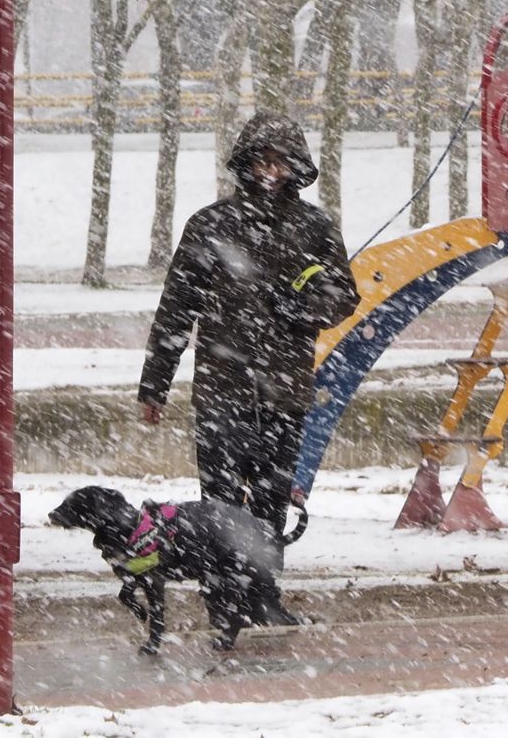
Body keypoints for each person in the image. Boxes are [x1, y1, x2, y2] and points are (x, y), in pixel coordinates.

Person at [138, 111, 359, 624]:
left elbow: (344, 297)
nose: (271, 169)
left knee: (270, 501)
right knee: (218, 505)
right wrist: (155, 386)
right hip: (221, 391)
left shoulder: (315, 226)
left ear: (297, 167)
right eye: (262, 159)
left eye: (281, 160)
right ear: (245, 163)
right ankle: (221, 600)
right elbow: (175, 308)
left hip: (285, 392)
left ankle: (263, 595)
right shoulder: (210, 225)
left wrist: (298, 309)